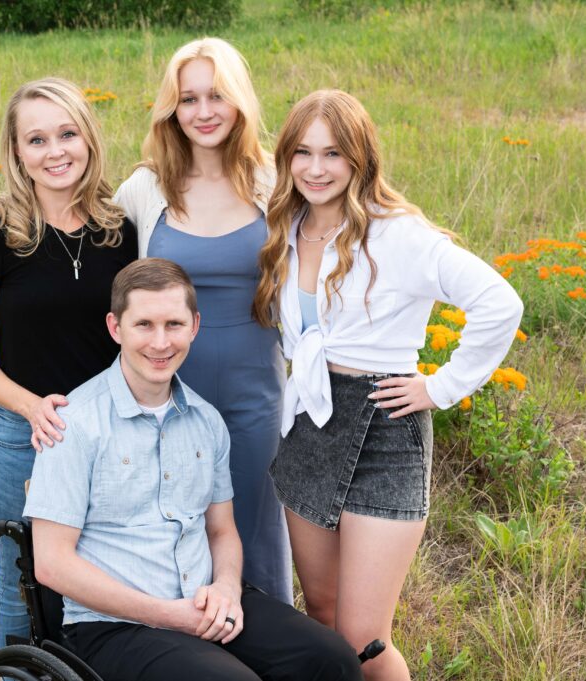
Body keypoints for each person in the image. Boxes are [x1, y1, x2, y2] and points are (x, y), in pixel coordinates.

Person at [252, 89, 524, 681]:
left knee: (364, 638)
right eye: (303, 153)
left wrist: (441, 386)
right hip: (310, 424)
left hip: (384, 424)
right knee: (321, 616)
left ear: (361, 158)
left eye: (333, 154)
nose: (316, 169)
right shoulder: (286, 226)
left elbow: (500, 302)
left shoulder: (397, 234)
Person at [23, 258, 362, 681]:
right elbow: (52, 564)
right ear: (115, 328)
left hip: (203, 599)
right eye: (144, 324)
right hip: (111, 626)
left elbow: (221, 532)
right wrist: (169, 615)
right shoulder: (74, 424)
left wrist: (225, 587)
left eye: (174, 324)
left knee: (333, 659)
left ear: (195, 326)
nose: (160, 342)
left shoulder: (207, 422)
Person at [0, 77, 137, 647]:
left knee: (102, 569)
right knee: (23, 578)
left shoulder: (120, 230)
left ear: (88, 138)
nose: (55, 152)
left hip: (108, 434)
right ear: (17, 153)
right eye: (36, 140)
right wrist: (33, 408)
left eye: (67, 133)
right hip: (23, 437)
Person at [114, 37, 291, 603]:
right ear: (172, 109)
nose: (204, 111)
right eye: (188, 99)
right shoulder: (145, 189)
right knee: (173, 527)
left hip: (254, 391)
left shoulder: (274, 183)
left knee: (255, 527)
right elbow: (107, 283)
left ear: (240, 101)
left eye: (217, 95)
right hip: (165, 391)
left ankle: (269, 650)